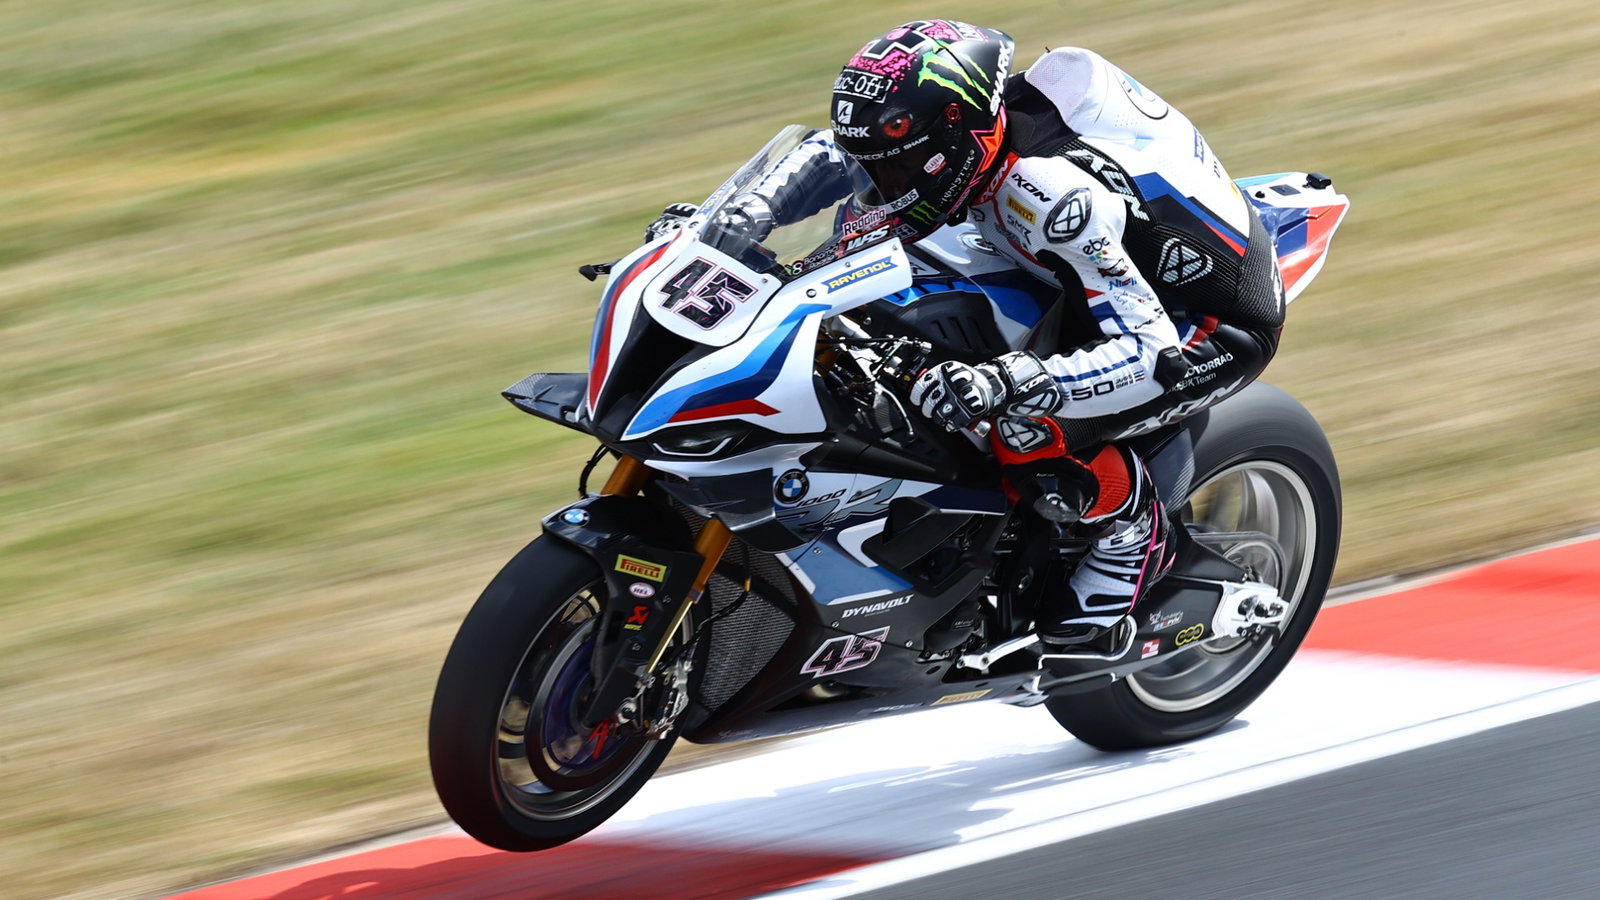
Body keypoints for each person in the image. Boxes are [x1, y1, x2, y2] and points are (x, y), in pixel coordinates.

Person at [824, 20, 1287, 655]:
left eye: (900, 167)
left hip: (1201, 327)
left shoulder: (1050, 198)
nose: (882, 186)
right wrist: (735, 219)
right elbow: (829, 165)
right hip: (1089, 275)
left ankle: (1134, 539)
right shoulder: (959, 131)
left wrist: (1015, 380)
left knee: (1018, 423)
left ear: (958, 135)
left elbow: (1152, 355)